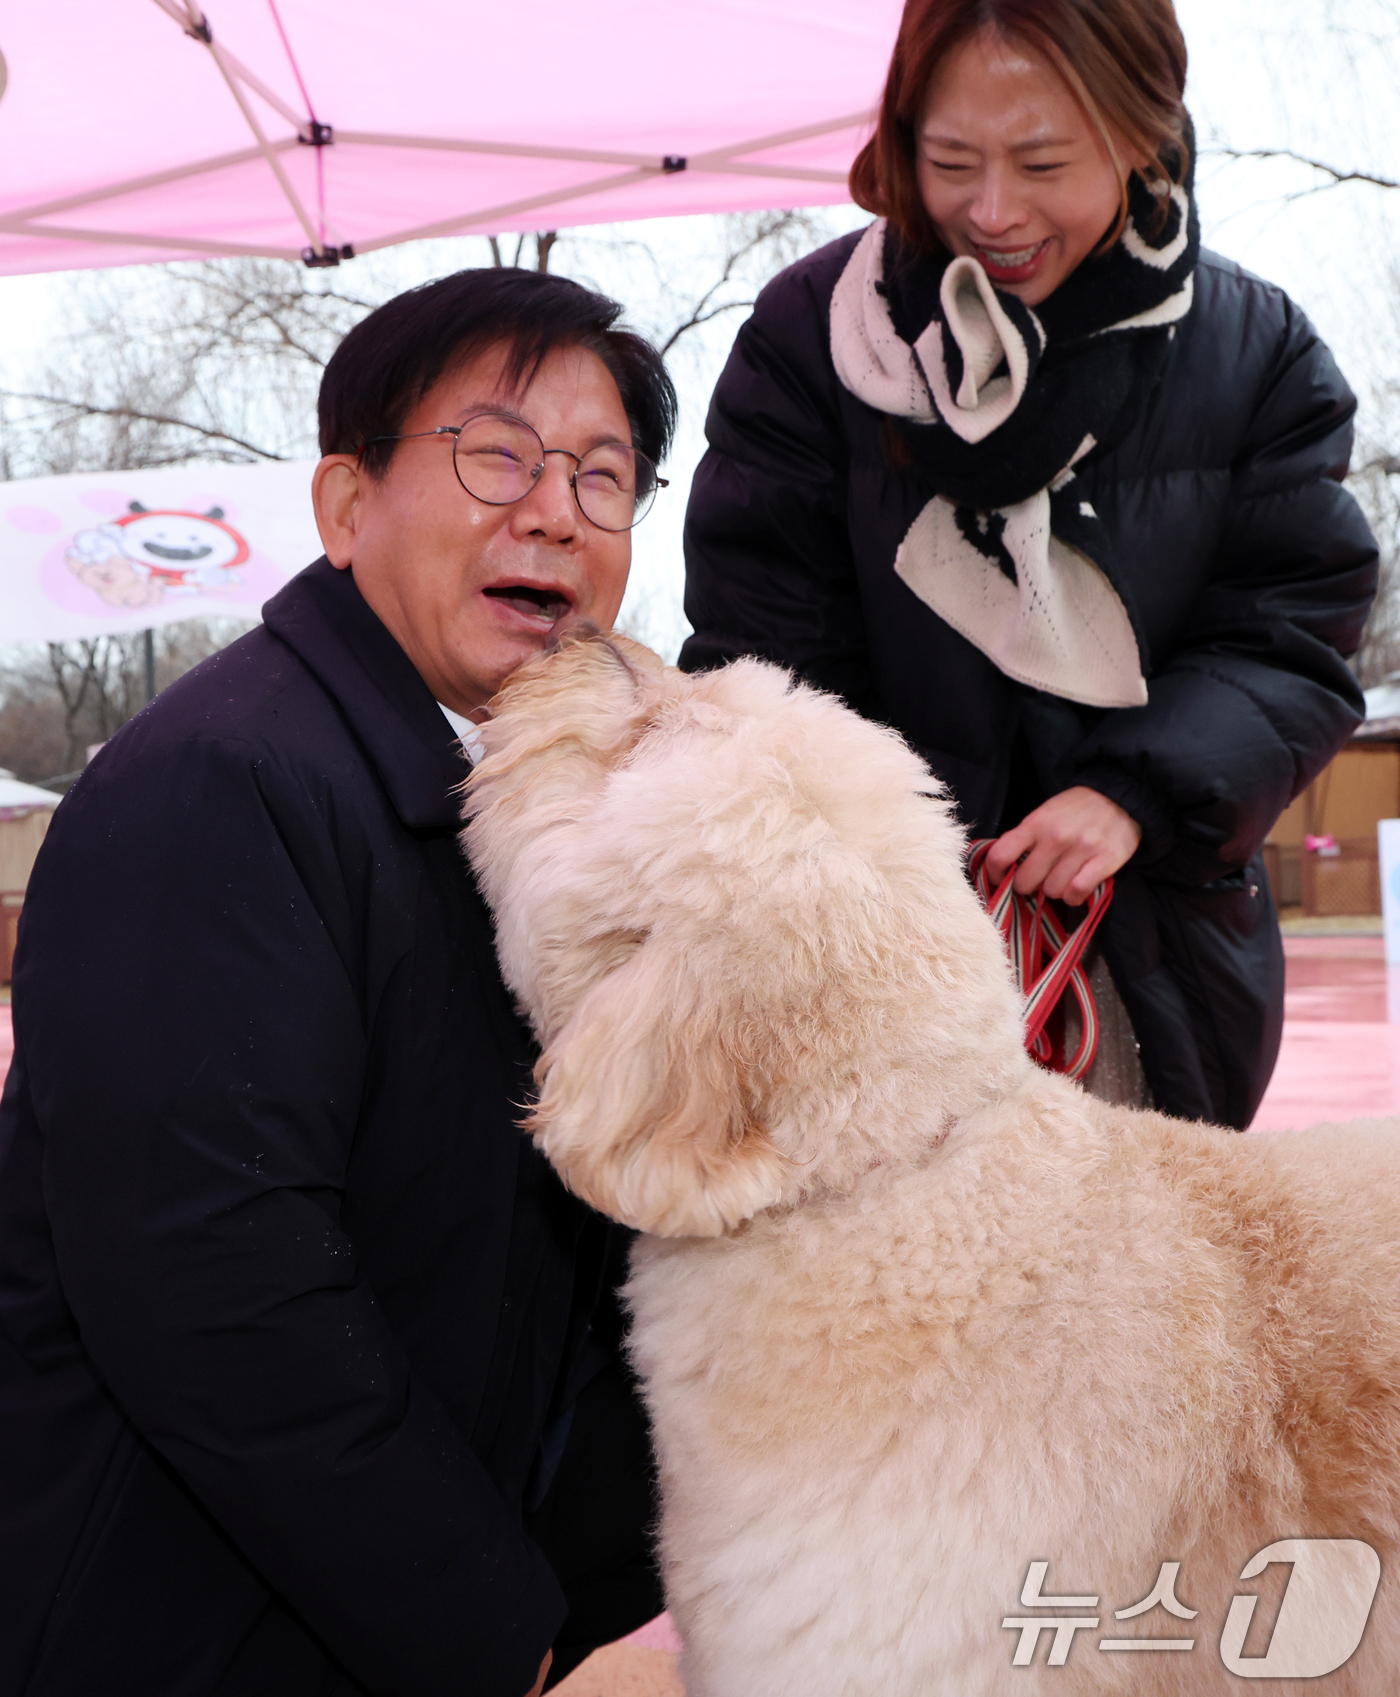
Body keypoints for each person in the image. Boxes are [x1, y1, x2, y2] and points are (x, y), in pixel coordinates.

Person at [0, 267, 675, 1697]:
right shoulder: (220, 782)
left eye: (602, 475)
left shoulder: (545, 805)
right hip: (190, 1631)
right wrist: (494, 1627)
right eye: (496, 454)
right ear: (346, 504)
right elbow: (216, 1280)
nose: (555, 510)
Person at [680, 0, 1379, 1127]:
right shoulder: (814, 335)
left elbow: (1289, 634)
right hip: (856, 958)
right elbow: (758, 652)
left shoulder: (1258, 354)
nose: (993, 212)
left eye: (1042, 162)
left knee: (1125, 1240)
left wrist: (1136, 794)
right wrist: (889, 858)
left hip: (1140, 958)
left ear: (1142, 132)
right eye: (950, 161)